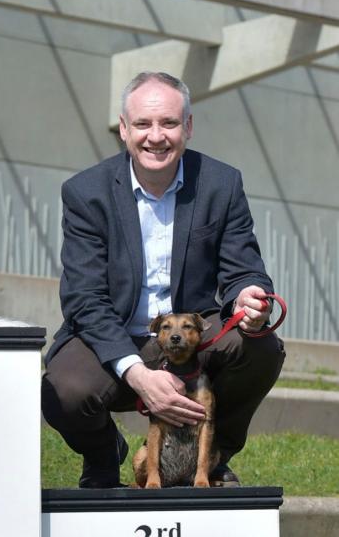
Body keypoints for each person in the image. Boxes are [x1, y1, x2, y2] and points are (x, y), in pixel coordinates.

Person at [41, 71, 285, 488]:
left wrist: (249, 296)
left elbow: (243, 266)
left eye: (169, 123)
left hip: (193, 338)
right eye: (143, 124)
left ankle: (214, 457)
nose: (156, 137)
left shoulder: (222, 184)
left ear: (187, 127)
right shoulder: (85, 193)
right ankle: (104, 456)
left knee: (260, 348)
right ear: (123, 129)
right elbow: (84, 298)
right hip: (114, 337)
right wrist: (137, 372)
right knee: (63, 389)